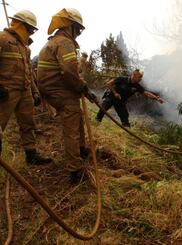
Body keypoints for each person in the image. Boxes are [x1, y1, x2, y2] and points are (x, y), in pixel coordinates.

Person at [37, 8, 96, 183]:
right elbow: (69, 72)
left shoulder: (56, 41)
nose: (78, 33)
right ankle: (75, 170)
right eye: (78, 29)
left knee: (76, 117)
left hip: (56, 89)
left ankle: (81, 149)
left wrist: (80, 88)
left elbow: (69, 71)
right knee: (71, 128)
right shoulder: (64, 43)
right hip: (60, 90)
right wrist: (84, 88)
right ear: (70, 26)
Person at [0, 10, 52, 165]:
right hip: (5, 92)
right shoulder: (2, 39)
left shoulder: (25, 48)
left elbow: (29, 72)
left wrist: (35, 92)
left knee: (27, 123)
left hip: (24, 91)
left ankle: (31, 155)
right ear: (20, 24)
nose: (30, 33)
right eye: (29, 29)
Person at [95, 69, 166, 127]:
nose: (141, 79)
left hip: (120, 102)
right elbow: (108, 84)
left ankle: (126, 131)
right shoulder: (122, 79)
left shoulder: (137, 86)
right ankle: (96, 123)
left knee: (125, 119)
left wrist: (156, 98)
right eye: (140, 76)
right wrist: (115, 93)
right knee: (102, 109)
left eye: (141, 77)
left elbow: (146, 93)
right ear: (134, 75)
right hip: (111, 97)